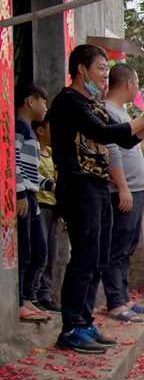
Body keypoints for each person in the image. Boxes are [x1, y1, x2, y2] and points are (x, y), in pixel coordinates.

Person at [51, 44, 144, 353]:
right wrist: (142, 121)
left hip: (99, 185)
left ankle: (84, 321)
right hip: (79, 185)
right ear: (81, 69)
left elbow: (124, 139)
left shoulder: (93, 104)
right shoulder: (70, 101)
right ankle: (72, 328)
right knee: (85, 257)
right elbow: (101, 133)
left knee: (99, 258)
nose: (105, 75)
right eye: (101, 68)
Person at [103, 63, 144, 323]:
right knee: (117, 247)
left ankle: (122, 297)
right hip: (122, 190)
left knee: (128, 246)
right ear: (129, 84)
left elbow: (130, 141)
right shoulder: (106, 111)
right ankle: (114, 301)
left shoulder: (123, 112)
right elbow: (112, 151)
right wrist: (122, 188)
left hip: (135, 188)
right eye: (137, 84)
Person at [15, 81, 51, 324]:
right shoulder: (19, 126)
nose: (45, 107)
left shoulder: (27, 128)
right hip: (24, 196)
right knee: (26, 250)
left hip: (32, 194)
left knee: (39, 250)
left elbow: (31, 171)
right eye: (43, 101)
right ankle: (19, 301)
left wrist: (49, 185)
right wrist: (18, 193)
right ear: (30, 101)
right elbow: (12, 161)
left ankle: (28, 297)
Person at [31, 113, 61, 312]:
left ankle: (45, 294)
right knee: (39, 253)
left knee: (51, 255)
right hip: (39, 206)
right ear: (40, 130)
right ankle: (31, 294)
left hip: (54, 209)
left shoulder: (52, 154)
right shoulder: (33, 153)